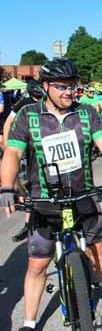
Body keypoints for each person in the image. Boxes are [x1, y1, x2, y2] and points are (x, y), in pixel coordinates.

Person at [0, 58, 102, 331]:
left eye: (73, 87)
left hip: (83, 195)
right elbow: (13, 151)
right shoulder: (28, 115)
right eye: (62, 87)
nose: (69, 93)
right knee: (37, 265)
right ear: (46, 86)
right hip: (44, 200)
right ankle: (28, 322)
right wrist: (7, 186)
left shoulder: (86, 113)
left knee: (100, 256)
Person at [2, 80, 45, 242]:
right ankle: (28, 224)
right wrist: (7, 145)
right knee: (30, 188)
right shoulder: (23, 104)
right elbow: (8, 123)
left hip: (41, 149)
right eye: (35, 96)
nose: (37, 99)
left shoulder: (47, 102)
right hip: (25, 149)